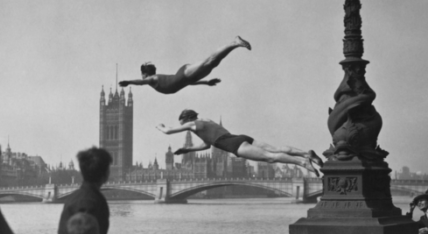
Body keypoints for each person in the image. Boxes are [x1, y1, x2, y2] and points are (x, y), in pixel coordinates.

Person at [156, 109, 323, 175]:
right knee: (276, 148)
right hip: (240, 137)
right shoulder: (206, 121)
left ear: (187, 119)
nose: (183, 126)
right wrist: (187, 150)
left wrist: (160, 126)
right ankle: (306, 153)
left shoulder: (192, 124)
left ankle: (303, 162)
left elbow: (168, 131)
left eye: (182, 123)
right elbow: (207, 144)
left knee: (270, 157)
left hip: (234, 145)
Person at [118, 36, 251, 95]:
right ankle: (234, 44)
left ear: (145, 74)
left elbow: (141, 83)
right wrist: (206, 83)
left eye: (143, 76)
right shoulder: (156, 80)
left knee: (209, 60)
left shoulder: (152, 79)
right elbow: (184, 84)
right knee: (213, 64)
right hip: (188, 78)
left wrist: (128, 82)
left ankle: (235, 42)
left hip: (185, 73)